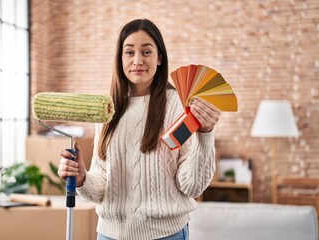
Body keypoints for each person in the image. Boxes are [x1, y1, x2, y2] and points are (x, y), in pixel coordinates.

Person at [58, 18, 221, 240]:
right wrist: (82, 178)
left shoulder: (178, 106)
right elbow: (101, 185)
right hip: (109, 234)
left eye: (146, 52)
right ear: (120, 58)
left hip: (165, 234)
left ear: (160, 57)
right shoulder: (106, 110)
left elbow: (191, 186)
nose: (137, 60)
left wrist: (205, 135)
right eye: (129, 52)